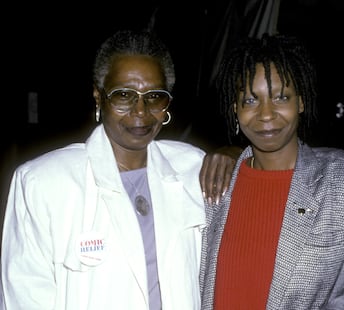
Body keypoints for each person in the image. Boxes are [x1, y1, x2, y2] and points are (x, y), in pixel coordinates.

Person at [0, 29, 237, 309]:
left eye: (154, 97)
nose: (141, 111)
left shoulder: (192, 167)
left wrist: (237, 154)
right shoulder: (43, 183)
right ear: (99, 98)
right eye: (124, 95)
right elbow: (24, 296)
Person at [199, 33, 344, 309]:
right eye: (251, 100)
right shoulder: (213, 184)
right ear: (235, 110)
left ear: (300, 102)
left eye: (281, 97)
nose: (266, 114)